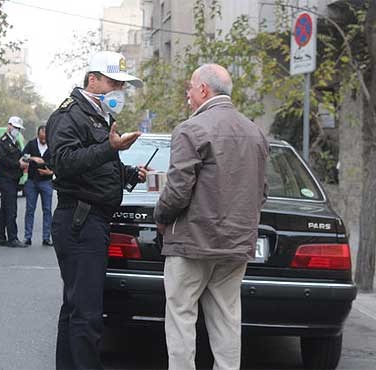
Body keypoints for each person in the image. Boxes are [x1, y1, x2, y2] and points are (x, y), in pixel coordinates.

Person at [154, 64, 269, 370]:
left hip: (191, 243)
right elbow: (262, 191)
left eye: (190, 88)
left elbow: (178, 191)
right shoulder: (255, 132)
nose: (187, 95)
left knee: (181, 317)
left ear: (203, 89)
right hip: (235, 246)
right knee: (227, 319)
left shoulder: (191, 129)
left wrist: (161, 217)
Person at [46, 50, 148, 370]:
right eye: (113, 83)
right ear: (93, 79)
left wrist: (128, 174)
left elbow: (96, 165)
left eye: (121, 85)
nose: (118, 91)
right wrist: (110, 148)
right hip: (80, 221)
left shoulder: (98, 117)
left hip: (91, 220)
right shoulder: (69, 115)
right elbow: (62, 163)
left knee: (75, 308)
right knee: (87, 315)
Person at [0, 116, 29, 249]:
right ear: (9, 126)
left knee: (4, 209)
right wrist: (18, 164)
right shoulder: (1, 143)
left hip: (13, 180)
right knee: (11, 210)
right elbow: (3, 161)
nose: (17, 130)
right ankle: (12, 238)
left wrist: (25, 161)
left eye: (19, 129)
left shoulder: (14, 142)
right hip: (6, 180)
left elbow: (18, 156)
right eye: (16, 128)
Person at [22, 125, 54, 247]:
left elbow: (57, 161)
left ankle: (46, 237)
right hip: (32, 182)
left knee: (47, 210)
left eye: (45, 138)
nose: (44, 140)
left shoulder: (52, 146)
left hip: (46, 182)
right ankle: (27, 237)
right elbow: (23, 157)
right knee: (30, 210)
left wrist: (50, 171)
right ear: (38, 135)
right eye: (42, 138)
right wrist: (33, 158)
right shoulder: (31, 144)